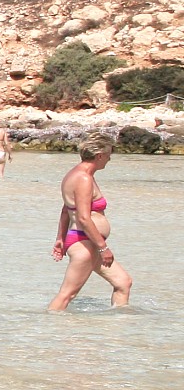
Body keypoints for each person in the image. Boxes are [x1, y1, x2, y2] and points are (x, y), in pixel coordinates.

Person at [49, 133, 131, 311]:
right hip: (84, 242)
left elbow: (66, 210)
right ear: (99, 155)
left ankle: (119, 328)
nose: (109, 159)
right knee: (67, 294)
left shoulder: (79, 174)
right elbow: (83, 218)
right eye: (109, 154)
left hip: (86, 241)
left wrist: (60, 238)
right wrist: (103, 248)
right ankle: (50, 329)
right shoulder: (83, 178)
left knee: (123, 283)